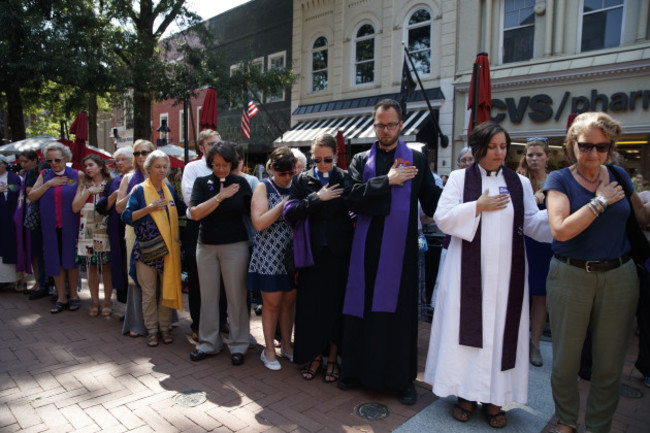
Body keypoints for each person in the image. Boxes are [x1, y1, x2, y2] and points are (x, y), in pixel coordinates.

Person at [423, 122, 551, 428]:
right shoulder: (458, 178)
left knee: (501, 333)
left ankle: (496, 399)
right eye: (492, 147)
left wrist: (561, 215)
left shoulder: (519, 183)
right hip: (467, 273)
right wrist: (477, 206)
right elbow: (442, 218)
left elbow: (533, 222)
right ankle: (465, 395)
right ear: (479, 148)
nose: (498, 153)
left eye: (503, 147)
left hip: (508, 275)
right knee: (466, 332)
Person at [544, 112, 646, 433]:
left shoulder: (618, 174)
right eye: (586, 146)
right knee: (565, 361)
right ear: (572, 144)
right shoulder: (559, 180)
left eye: (602, 147)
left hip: (620, 275)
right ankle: (567, 420)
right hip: (570, 275)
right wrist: (599, 201)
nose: (593, 154)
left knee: (610, 361)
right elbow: (560, 230)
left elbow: (641, 217)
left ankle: (599, 425)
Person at [338, 99, 441, 405]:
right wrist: (388, 181)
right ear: (374, 125)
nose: (385, 130)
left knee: (399, 314)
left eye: (391, 124)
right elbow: (350, 197)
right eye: (380, 124)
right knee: (363, 308)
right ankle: (355, 372)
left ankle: (402, 380)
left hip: (401, 252)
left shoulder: (418, 161)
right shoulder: (360, 160)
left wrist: (469, 203)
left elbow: (434, 201)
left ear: (401, 125)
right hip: (366, 249)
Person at [284, 133, 353, 382]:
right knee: (311, 308)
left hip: (339, 253)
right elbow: (289, 212)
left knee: (336, 307)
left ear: (335, 156)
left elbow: (355, 208)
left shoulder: (345, 177)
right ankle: (314, 356)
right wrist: (316, 198)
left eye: (328, 159)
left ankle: (333, 358)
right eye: (318, 159)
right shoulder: (303, 179)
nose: (323, 164)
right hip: (311, 254)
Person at [188, 143, 253, 365]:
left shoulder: (241, 183)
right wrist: (220, 196)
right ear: (210, 163)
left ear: (232, 163)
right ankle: (208, 343)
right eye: (216, 165)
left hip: (235, 245)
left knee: (236, 296)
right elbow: (195, 213)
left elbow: (252, 212)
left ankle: (238, 345)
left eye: (225, 165)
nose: (221, 169)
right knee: (208, 297)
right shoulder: (201, 183)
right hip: (205, 246)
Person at [122, 150, 186, 347]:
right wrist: (149, 208)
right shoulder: (139, 191)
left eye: (165, 166)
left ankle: (165, 328)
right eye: (158, 166)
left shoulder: (170, 190)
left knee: (166, 289)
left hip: (169, 251)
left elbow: (183, 209)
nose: (162, 170)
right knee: (149, 294)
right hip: (146, 252)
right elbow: (126, 216)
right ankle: (152, 331)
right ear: (148, 168)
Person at [248, 147, 297, 370]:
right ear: (273, 170)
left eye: (291, 173)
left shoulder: (298, 185)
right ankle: (268, 350)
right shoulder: (263, 187)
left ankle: (287, 345)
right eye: (282, 173)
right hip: (269, 254)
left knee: (289, 302)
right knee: (272, 304)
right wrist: (282, 205)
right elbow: (258, 223)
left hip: (293, 253)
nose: (287, 177)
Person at [28, 142, 82, 313]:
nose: (54, 164)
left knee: (71, 261)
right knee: (54, 260)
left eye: (57, 160)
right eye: (49, 160)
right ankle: (61, 297)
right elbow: (32, 195)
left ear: (66, 158)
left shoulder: (77, 175)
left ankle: (73, 295)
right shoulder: (44, 174)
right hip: (50, 226)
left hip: (71, 225)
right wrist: (50, 184)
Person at [516, 137, 554, 368]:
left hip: (546, 246)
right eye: (531, 155)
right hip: (521, 243)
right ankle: (516, 341)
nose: (534, 159)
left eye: (539, 154)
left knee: (541, 295)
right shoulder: (519, 181)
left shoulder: (556, 181)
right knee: (519, 293)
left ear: (547, 157)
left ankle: (535, 343)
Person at [181, 129, 221, 342]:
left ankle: (220, 320)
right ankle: (197, 324)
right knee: (197, 280)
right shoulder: (192, 168)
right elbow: (191, 201)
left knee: (223, 279)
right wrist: (221, 200)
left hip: (223, 228)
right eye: (211, 143)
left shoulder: (227, 166)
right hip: (198, 227)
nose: (215, 146)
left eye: (218, 142)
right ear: (201, 147)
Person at [116, 139, 155, 337]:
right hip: (135, 230)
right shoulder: (128, 178)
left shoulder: (161, 173)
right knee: (136, 275)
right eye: (137, 153)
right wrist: (134, 193)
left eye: (145, 152)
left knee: (159, 273)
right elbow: (118, 208)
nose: (141, 156)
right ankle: (138, 323)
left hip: (158, 230)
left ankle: (162, 321)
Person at [429, 147, 475, 310]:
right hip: (453, 242)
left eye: (471, 159)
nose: (467, 163)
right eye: (463, 160)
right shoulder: (453, 183)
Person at [72, 155, 113, 317]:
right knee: (91, 268)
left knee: (107, 268)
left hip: (104, 230)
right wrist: (88, 192)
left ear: (100, 166)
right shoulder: (84, 185)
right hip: (87, 232)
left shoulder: (110, 183)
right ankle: (95, 301)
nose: (87, 168)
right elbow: (75, 208)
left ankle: (108, 301)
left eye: (91, 165)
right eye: (85, 166)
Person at [95, 147, 133, 305]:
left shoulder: (139, 179)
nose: (119, 163)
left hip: (133, 227)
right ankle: (126, 305)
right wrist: (114, 195)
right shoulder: (113, 182)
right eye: (117, 160)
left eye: (123, 159)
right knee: (120, 264)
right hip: (116, 228)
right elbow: (102, 207)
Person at [0, 155, 21, 290]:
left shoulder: (15, 178)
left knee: (10, 246)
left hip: (10, 218)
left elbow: (21, 193)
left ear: (6, 164)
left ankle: (12, 279)